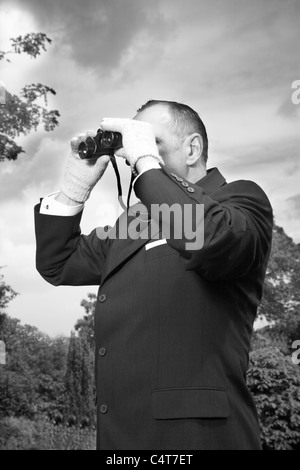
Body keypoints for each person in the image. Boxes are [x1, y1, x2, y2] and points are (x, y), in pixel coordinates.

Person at [34, 100, 273, 450]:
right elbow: (59, 263)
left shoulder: (238, 200)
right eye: (131, 145)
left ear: (192, 148)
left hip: (197, 439)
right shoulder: (132, 223)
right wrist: (74, 188)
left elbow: (211, 237)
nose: (133, 155)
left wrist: (147, 163)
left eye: (147, 141)